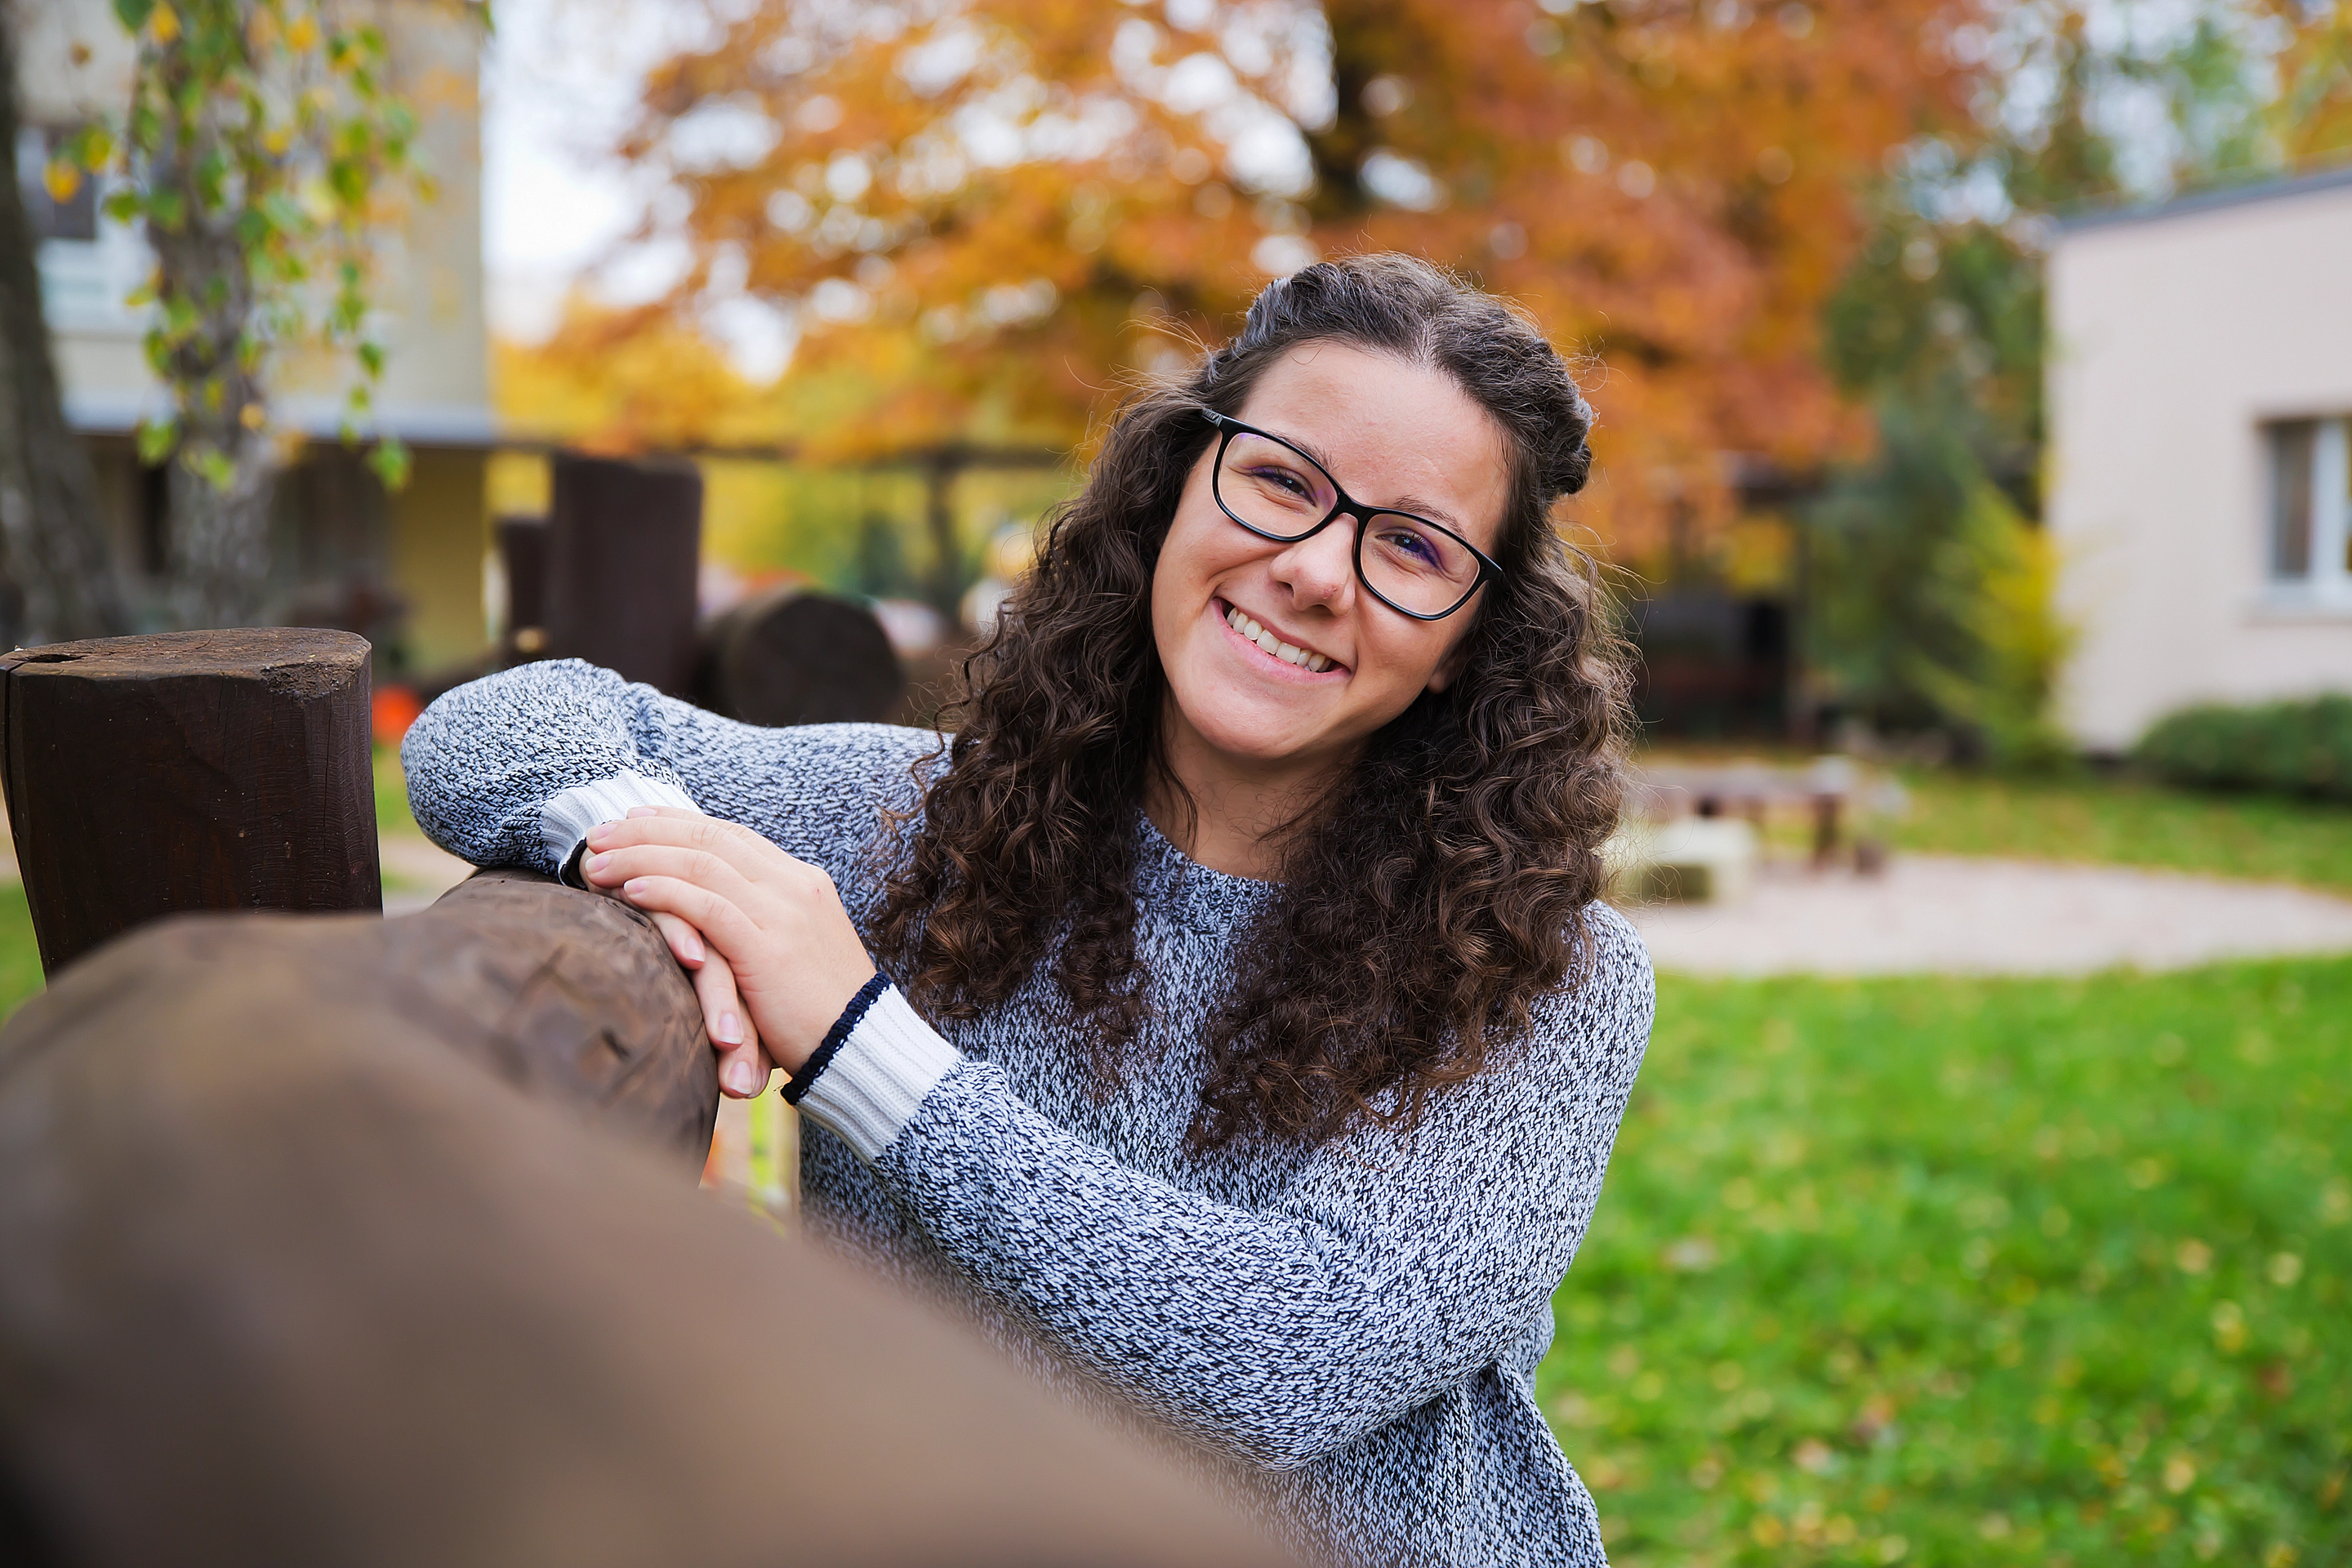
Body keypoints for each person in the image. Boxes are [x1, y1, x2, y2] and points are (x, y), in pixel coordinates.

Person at [402, 253, 1655, 1567]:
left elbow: (1290, 1356)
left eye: (1410, 545)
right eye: (1283, 480)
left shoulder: (1537, 974)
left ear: (1469, 641)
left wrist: (859, 1045)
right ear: (1175, 491)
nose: (1317, 571)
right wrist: (670, 863)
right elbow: (488, 735)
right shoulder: (909, 829)